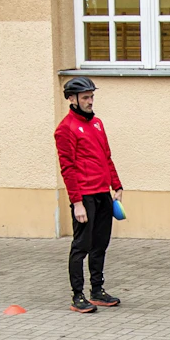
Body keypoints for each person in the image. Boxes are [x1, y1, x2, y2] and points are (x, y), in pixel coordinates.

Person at [56, 76, 123, 314]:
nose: (90, 101)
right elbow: (67, 167)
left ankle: (97, 291)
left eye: (91, 96)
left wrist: (117, 185)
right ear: (72, 99)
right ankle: (77, 295)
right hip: (84, 195)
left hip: (102, 193)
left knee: (100, 244)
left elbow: (106, 156)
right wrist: (76, 202)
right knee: (81, 246)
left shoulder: (97, 124)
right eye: (85, 97)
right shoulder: (65, 129)